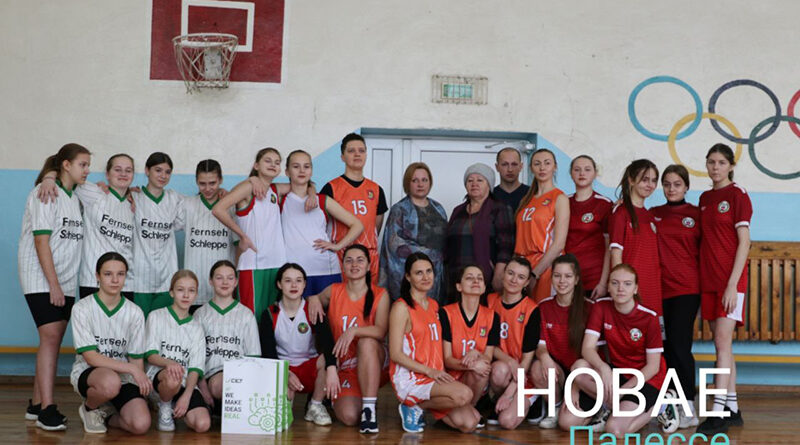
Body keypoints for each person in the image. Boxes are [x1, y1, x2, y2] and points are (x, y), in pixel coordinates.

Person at [19, 143, 90, 430]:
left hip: (65, 279)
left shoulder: (76, 196)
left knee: (53, 339)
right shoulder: (46, 193)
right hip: (42, 277)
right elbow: (41, 241)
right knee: (50, 337)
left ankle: (36, 404)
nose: (87, 170)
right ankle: (47, 410)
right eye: (83, 164)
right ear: (66, 165)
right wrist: (53, 285)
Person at [213, 147, 311, 321]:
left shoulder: (275, 189)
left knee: (271, 320)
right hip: (253, 265)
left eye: (277, 162)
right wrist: (242, 236)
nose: (273, 165)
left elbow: (303, 184)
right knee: (250, 320)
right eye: (268, 161)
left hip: (277, 264)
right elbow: (218, 209)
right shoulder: (248, 187)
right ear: (256, 165)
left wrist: (312, 193)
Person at [389, 253, 481, 433]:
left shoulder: (434, 305)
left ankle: (422, 406)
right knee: (464, 394)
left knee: (470, 422)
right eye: (419, 273)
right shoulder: (401, 307)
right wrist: (429, 371)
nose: (425, 277)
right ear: (408, 277)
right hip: (412, 377)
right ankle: (413, 406)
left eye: (429, 271)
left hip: (434, 376)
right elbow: (395, 354)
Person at [696, 144, 752, 436]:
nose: (715, 167)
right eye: (711, 162)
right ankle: (732, 408)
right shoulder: (704, 198)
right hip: (708, 281)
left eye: (720, 162)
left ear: (730, 166)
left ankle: (717, 413)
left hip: (730, 283)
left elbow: (745, 242)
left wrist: (732, 284)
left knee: (721, 344)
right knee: (724, 346)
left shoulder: (738, 195)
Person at [581, 264, 674, 437]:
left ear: (635, 289)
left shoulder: (649, 317)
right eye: (615, 283)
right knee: (579, 369)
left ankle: (661, 404)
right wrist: (603, 368)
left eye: (627, 284)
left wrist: (623, 391)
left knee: (615, 430)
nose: (620, 288)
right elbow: (587, 348)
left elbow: (653, 367)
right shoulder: (601, 306)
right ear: (608, 286)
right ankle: (612, 407)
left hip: (647, 378)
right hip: (619, 372)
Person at [307, 244, 390, 433]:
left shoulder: (380, 294)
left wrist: (354, 331)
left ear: (368, 266)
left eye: (360, 260)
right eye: (349, 261)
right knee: (349, 417)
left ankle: (369, 410)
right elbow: (314, 300)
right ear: (342, 266)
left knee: (366, 342)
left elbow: (380, 331)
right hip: (344, 365)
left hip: (372, 361)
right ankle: (351, 399)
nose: (354, 265)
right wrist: (313, 299)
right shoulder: (334, 291)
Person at [69, 252, 151, 435]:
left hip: (124, 377)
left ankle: (107, 414)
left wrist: (139, 390)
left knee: (141, 424)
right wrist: (132, 369)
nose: (115, 280)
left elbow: (136, 358)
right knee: (110, 383)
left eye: (120, 274)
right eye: (108, 274)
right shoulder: (82, 308)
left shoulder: (135, 312)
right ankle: (89, 408)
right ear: (97, 276)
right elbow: (91, 357)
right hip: (91, 373)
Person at [37, 153, 137, 301]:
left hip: (126, 283)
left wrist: (133, 194)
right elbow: (66, 174)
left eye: (128, 170)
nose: (123, 174)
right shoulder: (93, 192)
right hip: (93, 281)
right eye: (117, 170)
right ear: (107, 174)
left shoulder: (134, 203)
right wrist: (49, 178)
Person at [651, 164, 701, 429]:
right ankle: (670, 403)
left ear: (686, 187)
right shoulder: (653, 214)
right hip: (658, 292)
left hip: (686, 290)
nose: (672, 189)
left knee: (680, 347)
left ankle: (688, 406)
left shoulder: (696, 215)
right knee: (665, 348)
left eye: (677, 184)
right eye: (667, 184)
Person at [259, 263, 338, 426]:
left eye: (298, 280)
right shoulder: (269, 314)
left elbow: (328, 342)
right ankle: (285, 402)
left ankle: (315, 405)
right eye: (288, 281)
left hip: (309, 367)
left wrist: (332, 369)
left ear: (304, 284)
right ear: (279, 284)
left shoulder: (312, 309)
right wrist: (285, 373)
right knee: (282, 422)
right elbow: (268, 352)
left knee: (327, 360)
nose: (294, 285)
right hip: (283, 368)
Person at [280, 149, 363, 296]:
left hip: (325, 269)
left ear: (311, 171)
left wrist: (337, 246)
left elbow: (357, 225)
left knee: (329, 311)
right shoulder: (280, 199)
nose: (302, 170)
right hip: (295, 273)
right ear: (287, 172)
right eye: (296, 166)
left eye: (306, 166)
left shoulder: (323, 200)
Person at [533, 254, 595, 430]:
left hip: (583, 375)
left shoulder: (590, 308)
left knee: (567, 424)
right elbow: (540, 346)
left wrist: (575, 385)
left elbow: (595, 355)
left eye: (568, 276)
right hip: (559, 373)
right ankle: (556, 406)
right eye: (557, 275)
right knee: (538, 367)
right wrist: (544, 357)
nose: (562, 281)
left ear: (576, 280)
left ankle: (599, 410)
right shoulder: (544, 307)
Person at [145, 270, 209, 433]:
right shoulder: (156, 316)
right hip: (159, 379)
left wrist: (186, 397)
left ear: (196, 295)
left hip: (185, 382)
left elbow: (195, 368)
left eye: (191, 290)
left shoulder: (197, 328)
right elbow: (151, 355)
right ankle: (165, 406)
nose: (186, 295)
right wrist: (170, 363)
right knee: (173, 377)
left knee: (202, 424)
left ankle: (176, 404)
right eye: (180, 290)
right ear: (171, 292)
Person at [320, 133, 388, 285]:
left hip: (369, 256)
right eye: (351, 151)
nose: (357, 154)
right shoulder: (331, 188)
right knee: (341, 297)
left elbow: (376, 226)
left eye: (361, 150)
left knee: (368, 298)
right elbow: (322, 223)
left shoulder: (376, 189)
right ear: (342, 157)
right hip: (342, 255)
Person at [194, 260, 261, 413]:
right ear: (210, 281)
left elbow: (253, 356)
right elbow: (195, 356)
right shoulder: (200, 314)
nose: (225, 282)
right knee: (223, 384)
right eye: (219, 278)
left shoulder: (246, 314)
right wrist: (202, 385)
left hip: (241, 372)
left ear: (236, 282)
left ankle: (232, 412)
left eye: (230, 278)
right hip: (212, 374)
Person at [439, 265, 500, 422]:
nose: (475, 281)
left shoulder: (492, 316)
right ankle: (463, 411)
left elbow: (488, 357)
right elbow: (447, 359)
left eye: (480, 278)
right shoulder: (446, 313)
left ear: (484, 288)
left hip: (473, 380)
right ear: (459, 286)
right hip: (449, 378)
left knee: (482, 368)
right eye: (469, 278)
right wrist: (470, 365)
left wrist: (476, 353)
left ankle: (470, 407)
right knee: (478, 367)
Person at [486, 256, 541, 429]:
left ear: (526, 283)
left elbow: (527, 360)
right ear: (503, 274)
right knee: (499, 370)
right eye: (510, 273)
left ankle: (532, 401)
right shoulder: (490, 301)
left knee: (507, 422)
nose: (514, 280)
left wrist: (510, 393)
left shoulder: (531, 309)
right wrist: (510, 361)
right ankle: (498, 402)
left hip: (524, 374)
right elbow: (487, 344)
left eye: (520, 277)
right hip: (502, 369)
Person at [380, 162, 448, 302]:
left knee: (433, 310)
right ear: (408, 183)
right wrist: (430, 254)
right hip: (411, 273)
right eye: (415, 180)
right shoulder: (399, 209)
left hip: (436, 274)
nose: (420, 184)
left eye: (424, 180)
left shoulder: (439, 208)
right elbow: (394, 244)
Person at [129, 152, 185, 317]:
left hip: (166, 279)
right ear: (147, 171)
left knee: (162, 328)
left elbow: (198, 203)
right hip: (139, 278)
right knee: (139, 328)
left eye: (167, 172)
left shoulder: (174, 198)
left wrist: (221, 192)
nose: (163, 176)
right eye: (158, 170)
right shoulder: (134, 197)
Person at [445, 163, 514, 294]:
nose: (474, 184)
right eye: (470, 180)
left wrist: (499, 273)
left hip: (485, 277)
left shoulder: (500, 209)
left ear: (489, 184)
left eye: (480, 180)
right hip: (457, 276)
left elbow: (506, 246)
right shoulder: (458, 211)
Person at [514, 149, 569, 302]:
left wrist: (535, 274)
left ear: (555, 167)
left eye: (547, 163)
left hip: (545, 266)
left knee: (543, 310)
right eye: (537, 164)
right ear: (531, 168)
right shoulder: (526, 200)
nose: (542, 167)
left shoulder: (560, 198)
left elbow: (559, 244)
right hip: (523, 265)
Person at [609, 159, 663, 316]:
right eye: (644, 180)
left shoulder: (650, 216)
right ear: (631, 180)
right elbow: (616, 256)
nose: (650, 185)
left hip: (652, 289)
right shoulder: (621, 213)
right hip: (630, 292)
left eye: (653, 180)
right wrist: (622, 289)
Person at [182, 159, 238, 309]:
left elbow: (239, 246)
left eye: (212, 183)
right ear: (196, 181)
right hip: (194, 291)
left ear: (221, 180)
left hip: (223, 290)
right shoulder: (187, 204)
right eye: (202, 184)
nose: (207, 189)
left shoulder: (231, 207)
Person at [565, 155, 612, 299]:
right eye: (577, 169)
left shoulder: (604, 204)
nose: (582, 173)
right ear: (571, 173)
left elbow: (609, 247)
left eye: (587, 169)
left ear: (595, 173)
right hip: (568, 278)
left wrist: (603, 283)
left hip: (594, 278)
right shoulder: (563, 202)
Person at [493, 147, 530, 212]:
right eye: (505, 164)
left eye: (514, 164)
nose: (510, 169)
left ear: (521, 166)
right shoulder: (489, 196)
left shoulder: (531, 194)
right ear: (497, 167)